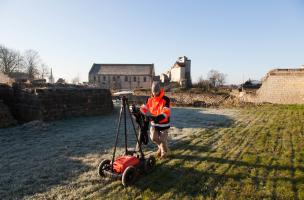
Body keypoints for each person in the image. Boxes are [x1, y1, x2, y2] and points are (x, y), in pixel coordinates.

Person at [140, 81, 171, 159]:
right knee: (153, 138)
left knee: (163, 139)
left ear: (159, 90)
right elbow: (144, 108)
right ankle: (161, 148)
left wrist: (157, 117)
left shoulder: (166, 99)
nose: (155, 94)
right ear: (152, 91)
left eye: (156, 92)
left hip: (164, 123)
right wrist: (140, 111)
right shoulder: (149, 99)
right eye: (153, 92)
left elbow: (166, 112)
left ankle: (164, 153)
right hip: (154, 123)